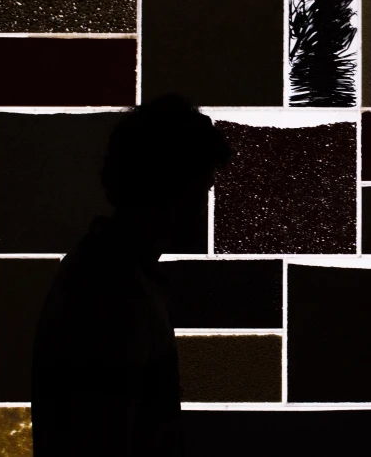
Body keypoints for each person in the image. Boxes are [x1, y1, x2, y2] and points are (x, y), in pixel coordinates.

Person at [30, 94, 232, 456]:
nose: (207, 202)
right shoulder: (113, 291)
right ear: (175, 189)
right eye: (204, 187)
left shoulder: (110, 271)